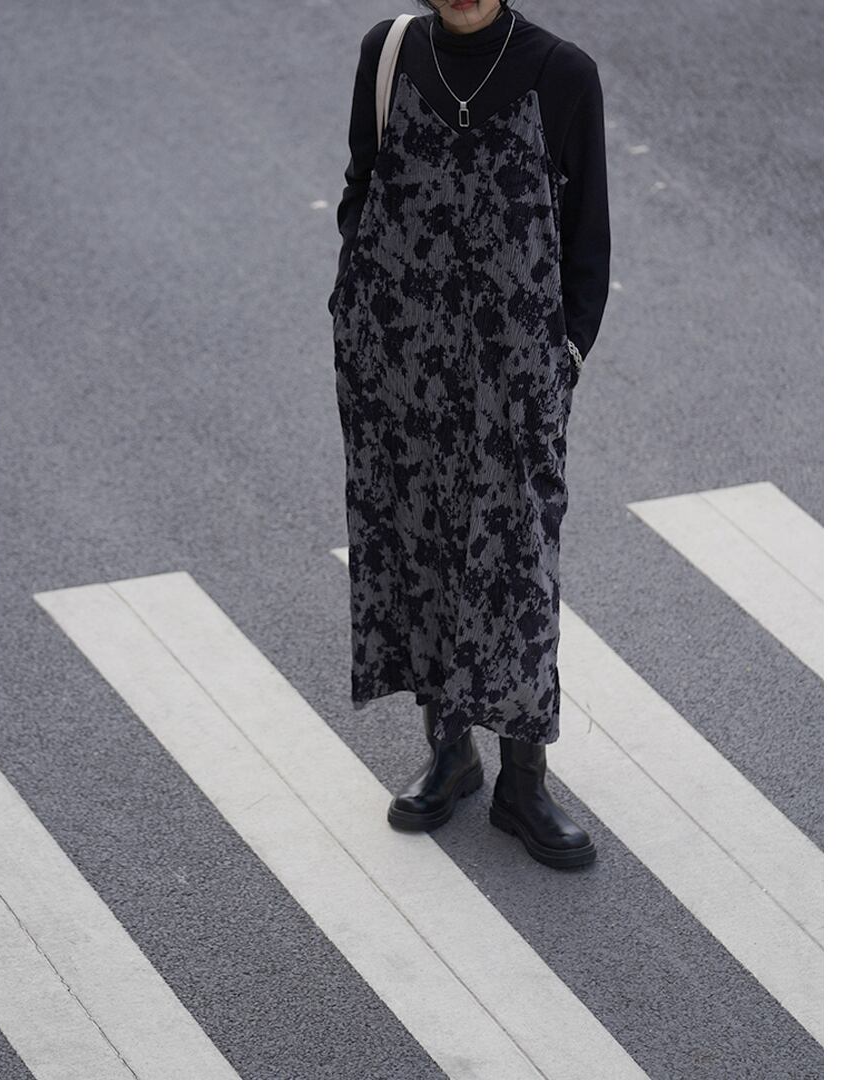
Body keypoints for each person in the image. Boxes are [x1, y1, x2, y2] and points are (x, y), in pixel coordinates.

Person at [329, 0, 610, 869]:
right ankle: (449, 754)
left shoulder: (562, 74)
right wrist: (353, 303)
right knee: (418, 549)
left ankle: (524, 781)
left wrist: (564, 356)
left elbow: (588, 238)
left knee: (519, 566)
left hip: (514, 382)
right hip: (398, 364)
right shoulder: (389, 53)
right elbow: (362, 183)